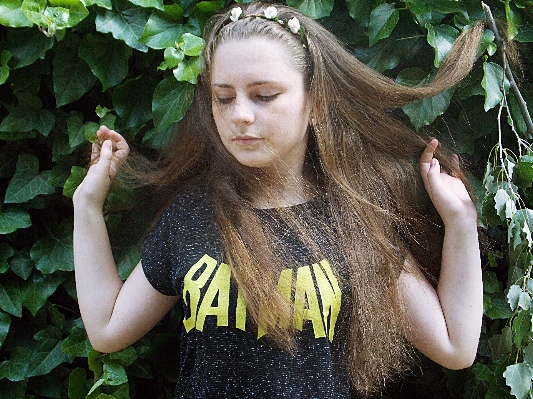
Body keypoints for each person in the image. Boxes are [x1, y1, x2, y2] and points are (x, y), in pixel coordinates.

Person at [73, 2, 484, 397]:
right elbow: (108, 330)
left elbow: (454, 347)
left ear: (315, 101)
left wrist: (462, 222)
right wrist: (87, 207)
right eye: (223, 97)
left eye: (264, 95)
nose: (240, 115)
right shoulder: (192, 215)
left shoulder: (354, 218)